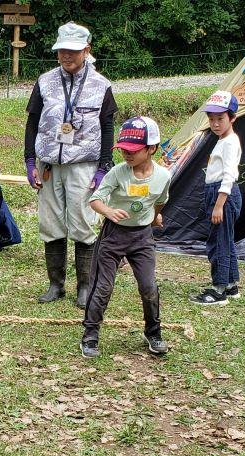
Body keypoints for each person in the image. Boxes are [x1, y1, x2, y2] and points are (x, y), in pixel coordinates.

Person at [23, 21, 118, 308]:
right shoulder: (45, 81)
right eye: (62, 50)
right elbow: (32, 122)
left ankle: (85, 287)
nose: (66, 56)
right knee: (51, 223)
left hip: (83, 165)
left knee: (83, 224)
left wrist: (104, 166)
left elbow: (108, 125)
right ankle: (55, 285)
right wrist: (30, 161)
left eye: (73, 51)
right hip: (50, 163)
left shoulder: (101, 85)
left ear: (86, 50)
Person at [81, 117, 171, 359]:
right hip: (113, 235)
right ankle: (90, 334)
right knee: (103, 286)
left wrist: (155, 218)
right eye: (123, 150)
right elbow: (95, 199)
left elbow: (160, 201)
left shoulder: (163, 176)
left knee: (149, 286)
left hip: (142, 237)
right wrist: (108, 211)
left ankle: (153, 332)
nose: (127, 155)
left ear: (152, 148)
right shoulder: (117, 173)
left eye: (133, 150)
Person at [188, 90, 242, 306]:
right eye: (211, 119)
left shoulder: (230, 142)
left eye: (220, 118)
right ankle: (230, 285)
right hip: (217, 192)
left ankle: (218, 291)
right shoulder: (223, 139)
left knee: (218, 242)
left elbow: (229, 175)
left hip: (223, 195)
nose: (215, 123)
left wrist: (219, 205)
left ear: (232, 118)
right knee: (225, 240)